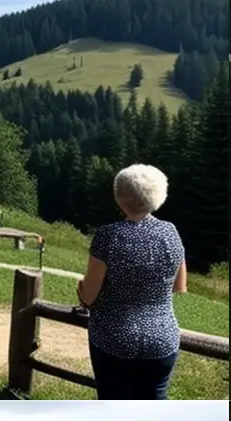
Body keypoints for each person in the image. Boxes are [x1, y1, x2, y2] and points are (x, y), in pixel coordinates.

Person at [77, 164, 188, 399]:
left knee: (114, 408)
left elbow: (89, 296)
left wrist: (80, 288)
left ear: (121, 198)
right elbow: (180, 287)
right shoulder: (170, 233)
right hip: (162, 338)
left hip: (113, 338)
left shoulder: (108, 236)